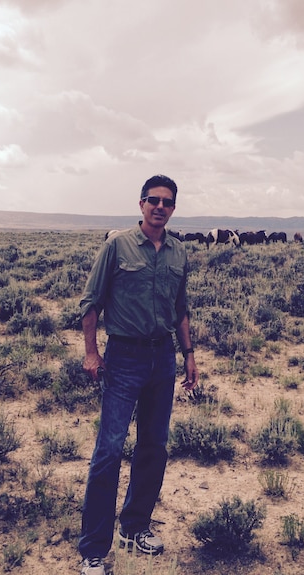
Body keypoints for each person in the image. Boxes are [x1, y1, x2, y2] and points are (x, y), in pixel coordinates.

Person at [77, 174, 199, 575]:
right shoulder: (118, 245)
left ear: (174, 208)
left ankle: (134, 527)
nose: (159, 206)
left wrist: (189, 355)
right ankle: (94, 550)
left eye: (166, 201)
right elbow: (91, 302)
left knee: (153, 447)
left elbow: (180, 309)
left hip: (162, 358)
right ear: (141, 204)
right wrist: (92, 352)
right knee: (108, 451)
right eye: (153, 200)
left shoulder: (179, 253)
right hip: (124, 357)